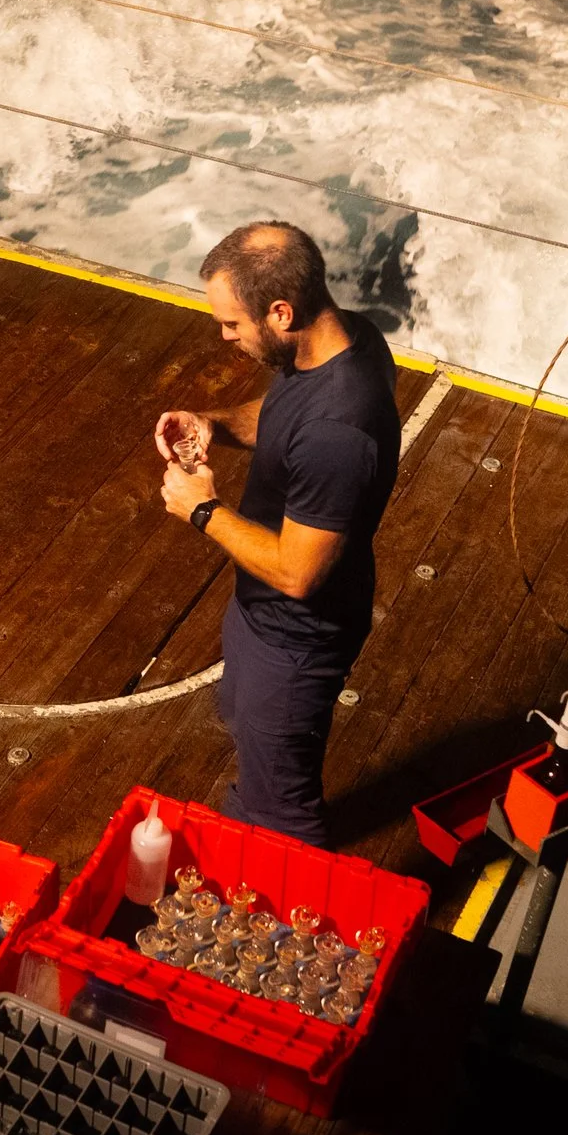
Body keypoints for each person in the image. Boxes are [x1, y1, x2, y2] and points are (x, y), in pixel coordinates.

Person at [156, 222, 400, 847]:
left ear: (281, 311)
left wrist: (202, 509)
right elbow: (280, 415)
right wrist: (214, 424)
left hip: (296, 641)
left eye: (233, 324)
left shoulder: (338, 433)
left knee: (281, 814)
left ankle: (291, 918)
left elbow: (298, 572)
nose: (224, 335)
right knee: (243, 721)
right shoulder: (343, 342)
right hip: (258, 615)